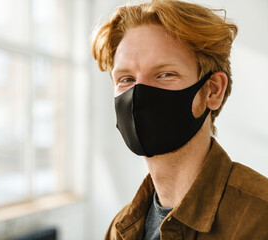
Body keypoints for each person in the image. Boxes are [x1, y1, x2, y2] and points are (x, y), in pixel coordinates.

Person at [91, 0, 268, 239]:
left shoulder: (260, 217)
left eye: (165, 74)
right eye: (126, 79)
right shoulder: (120, 228)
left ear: (213, 91)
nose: (138, 95)